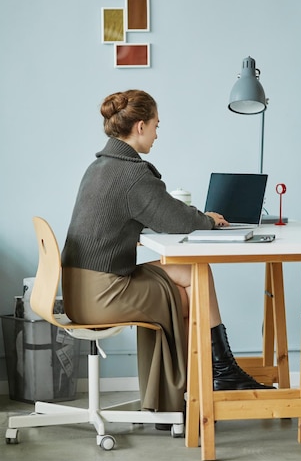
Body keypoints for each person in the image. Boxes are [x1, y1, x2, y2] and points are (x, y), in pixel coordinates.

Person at [61, 89, 272, 418]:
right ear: (141, 127)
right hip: (101, 294)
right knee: (185, 296)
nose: (158, 134)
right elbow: (177, 221)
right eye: (157, 126)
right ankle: (212, 378)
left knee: (190, 274)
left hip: (80, 288)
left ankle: (205, 379)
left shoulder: (100, 166)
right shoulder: (131, 173)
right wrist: (208, 220)